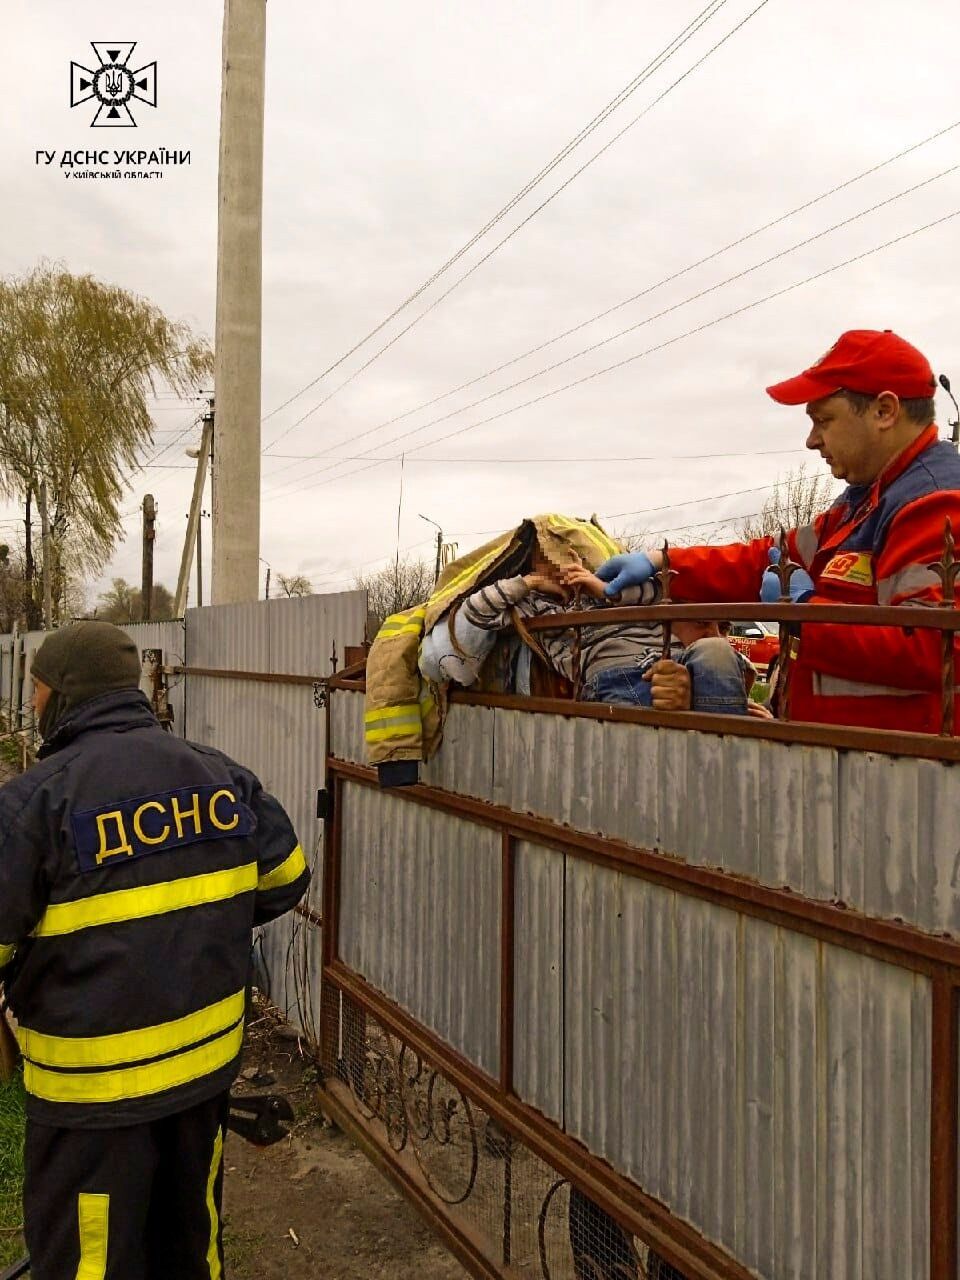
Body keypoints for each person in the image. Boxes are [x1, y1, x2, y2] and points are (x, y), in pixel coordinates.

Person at [0, 622, 309, 1279]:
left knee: (90, 1261)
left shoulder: (31, 805)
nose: (30, 704)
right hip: (203, 1077)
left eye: (35, 689)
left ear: (60, 695)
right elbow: (286, 880)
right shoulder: (221, 775)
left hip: (90, 1098)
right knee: (190, 1248)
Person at [595, 329, 960, 732]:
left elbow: (936, 647)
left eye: (824, 419)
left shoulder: (937, 502)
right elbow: (768, 559)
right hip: (847, 757)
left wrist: (803, 611)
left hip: (904, 770)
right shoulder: (865, 499)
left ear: (884, 411)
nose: (811, 440)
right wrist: (663, 563)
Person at [420, 548, 751, 716]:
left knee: (717, 654)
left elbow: (656, 594)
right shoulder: (537, 607)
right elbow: (477, 611)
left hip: (668, 665)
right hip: (615, 678)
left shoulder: (608, 594)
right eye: (547, 560)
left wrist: (602, 588)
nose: (561, 567)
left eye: (569, 557)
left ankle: (730, 748)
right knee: (652, 744)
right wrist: (531, 584)